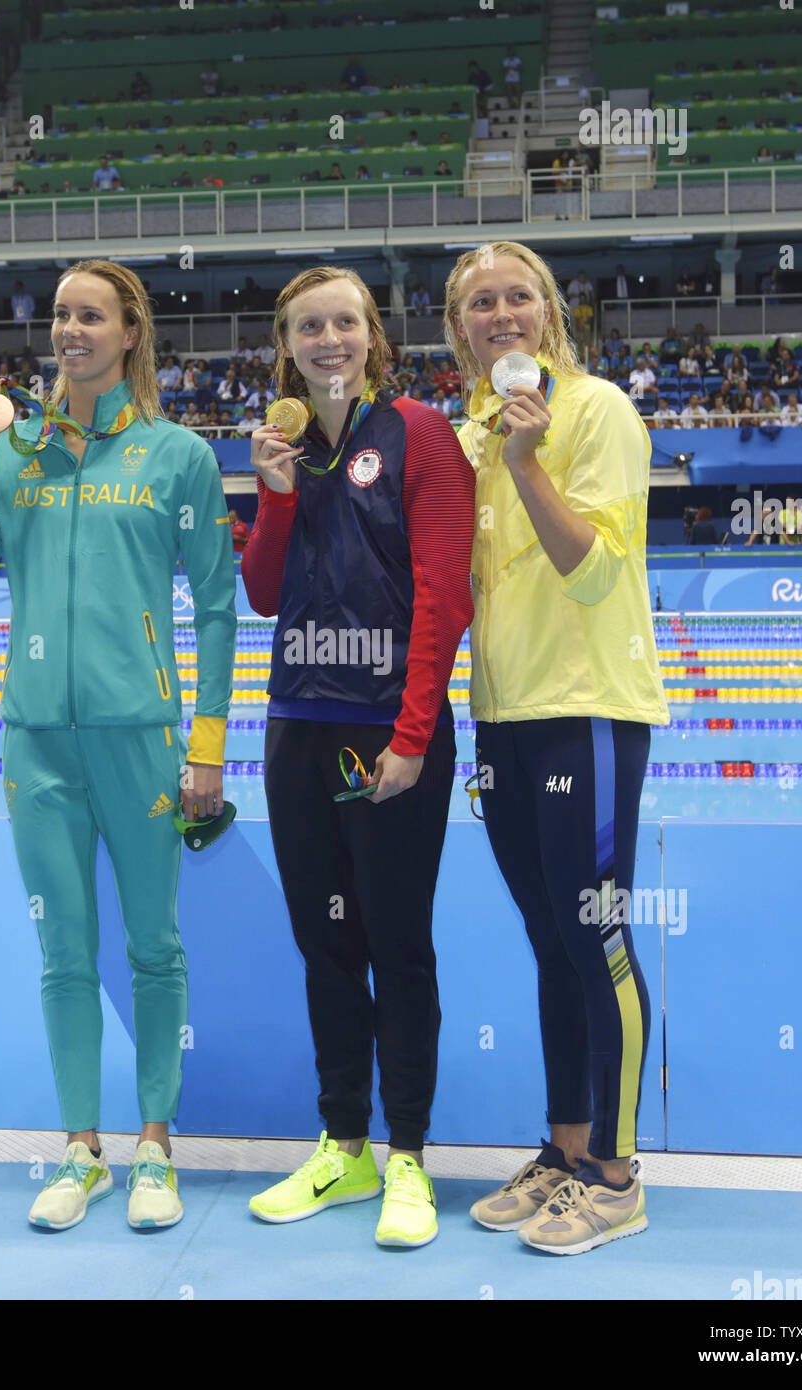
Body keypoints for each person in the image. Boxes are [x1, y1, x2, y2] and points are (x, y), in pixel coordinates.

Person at [0, 259, 236, 1234]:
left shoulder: (176, 455)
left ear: (129, 332)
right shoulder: (15, 448)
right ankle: (80, 1150)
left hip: (142, 740)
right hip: (37, 744)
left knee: (154, 947)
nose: (72, 329)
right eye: (62, 314)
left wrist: (207, 748)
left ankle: (154, 1145)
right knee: (63, 953)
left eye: (92, 315)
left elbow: (221, 610)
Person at [241, 265, 475, 1248]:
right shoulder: (283, 442)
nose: (327, 339)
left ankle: (411, 1152)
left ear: (372, 335)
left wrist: (414, 737)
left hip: (385, 732)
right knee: (325, 943)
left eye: (344, 322)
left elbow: (444, 597)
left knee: (395, 940)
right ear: (286, 345)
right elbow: (262, 592)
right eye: (308, 327)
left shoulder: (417, 433)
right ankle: (346, 1146)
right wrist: (275, 492)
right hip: (301, 726)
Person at [443, 239, 668, 1253]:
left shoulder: (597, 412)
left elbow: (592, 571)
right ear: (458, 329)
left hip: (588, 710)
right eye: (479, 303)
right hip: (505, 717)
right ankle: (567, 1147)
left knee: (595, 935)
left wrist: (528, 463)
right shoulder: (471, 434)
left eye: (517, 297)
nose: (500, 314)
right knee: (549, 939)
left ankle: (617, 1176)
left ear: (549, 314)